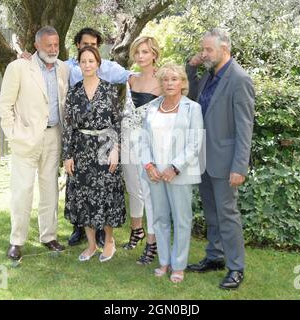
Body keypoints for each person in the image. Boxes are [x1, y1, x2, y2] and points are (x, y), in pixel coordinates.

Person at [21, 27, 131, 247]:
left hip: (103, 142)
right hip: (80, 142)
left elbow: (117, 116)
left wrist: (115, 148)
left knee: (102, 188)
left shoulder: (109, 76)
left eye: (93, 48)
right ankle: (79, 230)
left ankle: (102, 233)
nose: (88, 56)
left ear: (98, 57)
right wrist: (27, 59)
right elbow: (69, 121)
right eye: (84, 46)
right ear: (78, 48)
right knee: (81, 188)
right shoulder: (68, 69)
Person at [185, 28, 255, 290]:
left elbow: (244, 127)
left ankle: (236, 268)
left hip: (225, 162)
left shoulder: (239, 79)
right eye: (202, 49)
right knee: (212, 212)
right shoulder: (207, 76)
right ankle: (215, 257)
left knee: (227, 215)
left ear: (224, 49)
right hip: (203, 158)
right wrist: (191, 68)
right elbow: (190, 98)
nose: (203, 54)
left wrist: (239, 166)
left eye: (208, 50)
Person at [0, 26, 69, 261]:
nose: (53, 49)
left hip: (53, 137)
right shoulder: (18, 67)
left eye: (56, 44)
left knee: (50, 190)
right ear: (37, 45)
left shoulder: (64, 69)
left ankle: (49, 236)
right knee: (22, 191)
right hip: (25, 140)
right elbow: (4, 106)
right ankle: (17, 241)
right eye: (49, 45)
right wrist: (14, 135)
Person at [62, 46, 126, 263]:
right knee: (84, 197)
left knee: (105, 195)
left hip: (104, 147)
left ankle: (108, 241)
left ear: (98, 63)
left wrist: (116, 150)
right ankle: (91, 245)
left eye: (91, 61)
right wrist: (67, 155)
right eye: (83, 61)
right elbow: (68, 126)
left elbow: (117, 123)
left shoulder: (109, 90)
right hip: (81, 149)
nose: (87, 65)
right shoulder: (74, 91)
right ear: (78, 64)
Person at [140, 63, 203, 283]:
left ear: (183, 83)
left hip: (180, 174)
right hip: (155, 174)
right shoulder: (151, 108)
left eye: (174, 79)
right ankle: (164, 262)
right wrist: (149, 165)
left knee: (182, 219)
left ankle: (179, 265)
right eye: (165, 79)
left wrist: (175, 167)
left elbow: (195, 143)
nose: (169, 83)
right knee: (159, 219)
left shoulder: (192, 108)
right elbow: (143, 140)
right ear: (161, 83)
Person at [121, 36, 162, 265]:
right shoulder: (130, 80)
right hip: (126, 139)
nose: (140, 56)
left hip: (149, 143)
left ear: (154, 54)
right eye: (137, 52)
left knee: (150, 192)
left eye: (145, 52)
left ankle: (152, 243)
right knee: (133, 188)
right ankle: (137, 230)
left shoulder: (163, 82)